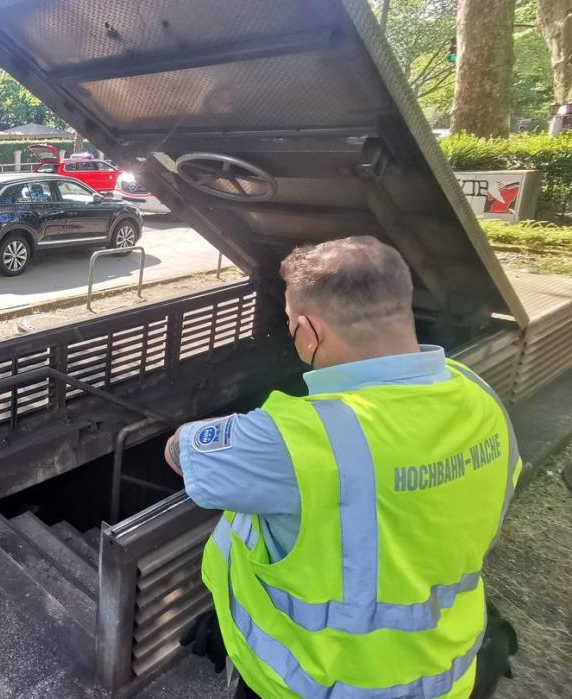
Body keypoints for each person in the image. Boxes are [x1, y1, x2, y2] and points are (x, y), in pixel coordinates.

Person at [164, 236, 520, 699]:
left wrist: (234, 425)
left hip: (316, 684)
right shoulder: (478, 395)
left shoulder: (296, 439)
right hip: (450, 669)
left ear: (308, 333)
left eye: (292, 325)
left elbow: (179, 452)